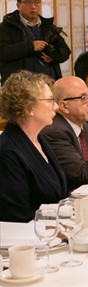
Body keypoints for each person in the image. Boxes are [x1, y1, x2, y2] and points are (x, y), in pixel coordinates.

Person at [0, 71, 67, 222]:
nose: (56, 106)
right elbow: (17, 215)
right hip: (31, 233)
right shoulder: (8, 152)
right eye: (50, 100)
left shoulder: (39, 139)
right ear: (29, 108)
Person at [0, 0, 71, 84]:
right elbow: (2, 52)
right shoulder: (6, 27)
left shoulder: (49, 27)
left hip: (48, 83)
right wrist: (31, 46)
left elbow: (65, 52)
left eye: (37, 2)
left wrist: (53, 56)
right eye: (28, 2)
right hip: (20, 86)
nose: (33, 6)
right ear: (18, 5)